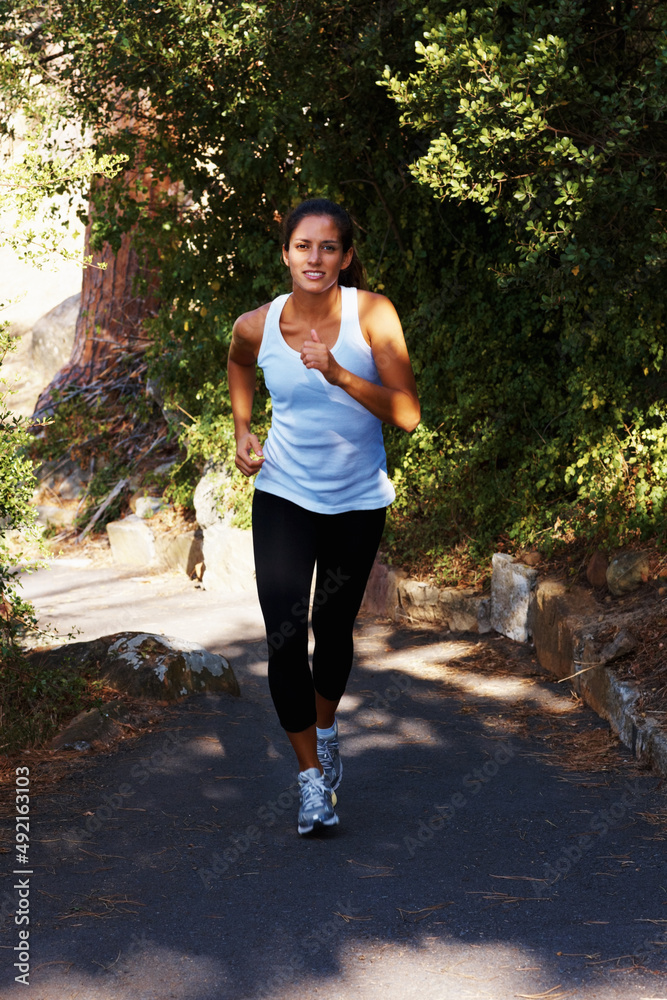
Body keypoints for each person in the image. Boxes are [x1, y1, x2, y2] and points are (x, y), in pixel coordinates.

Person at [228, 198, 420, 835]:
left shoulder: (373, 315)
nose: (316, 258)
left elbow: (407, 414)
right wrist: (242, 430)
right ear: (285, 253)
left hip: (357, 500)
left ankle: (328, 726)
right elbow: (237, 362)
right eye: (303, 246)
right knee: (283, 634)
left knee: (332, 629)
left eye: (329, 247)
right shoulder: (257, 324)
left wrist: (338, 373)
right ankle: (311, 781)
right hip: (283, 491)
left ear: (345, 256)